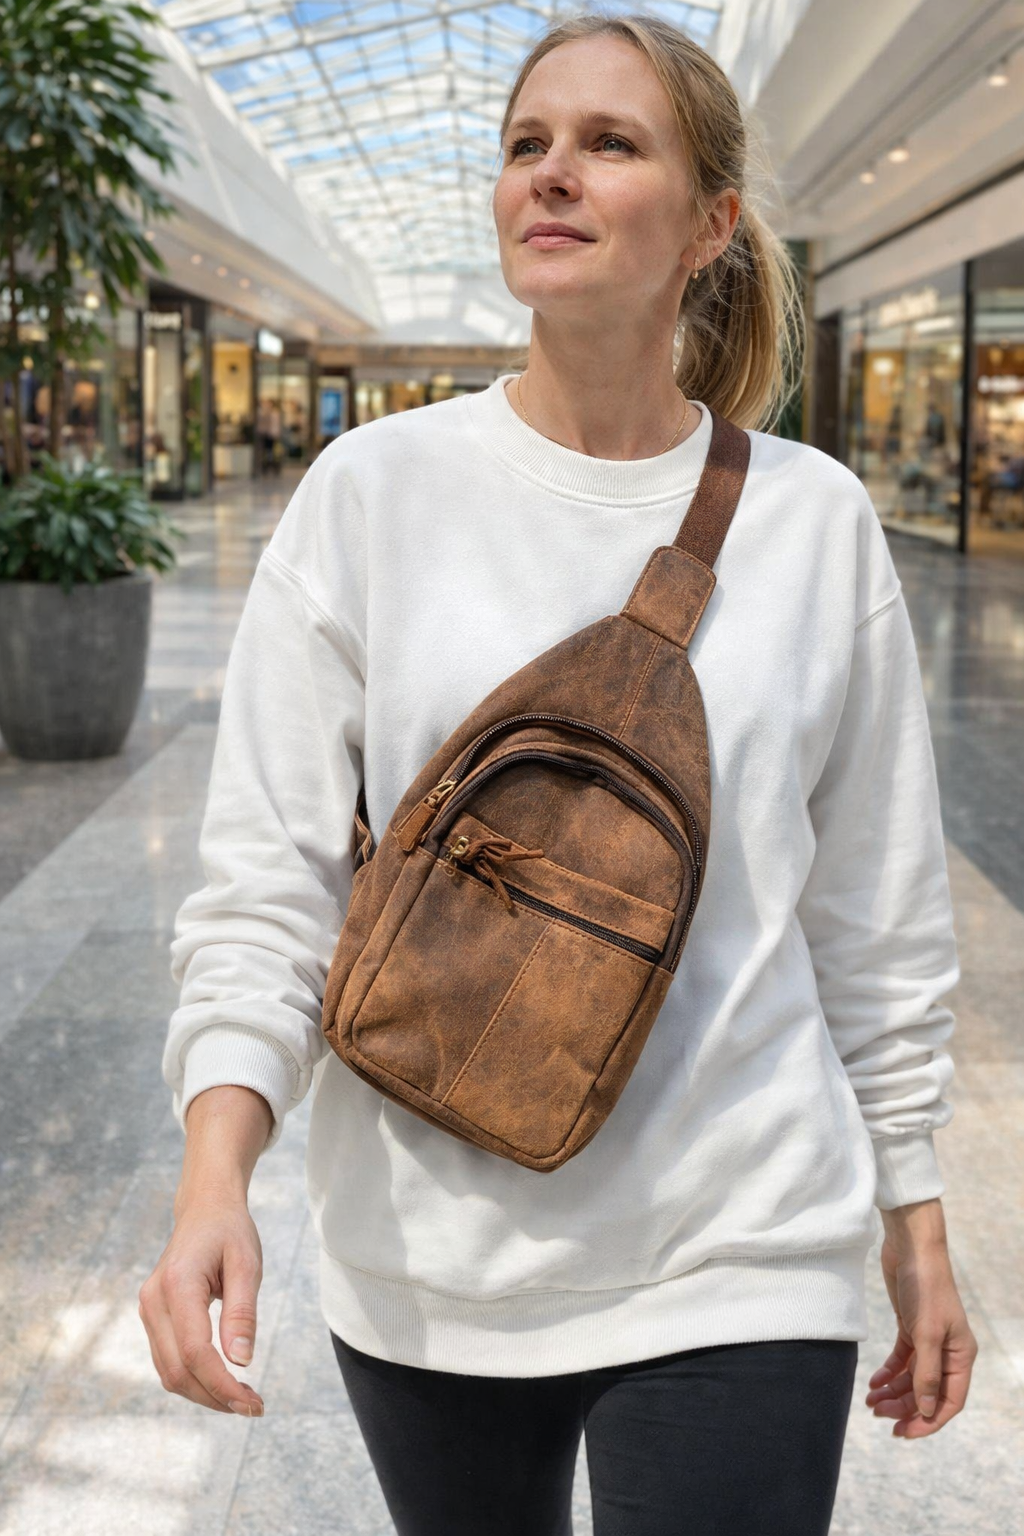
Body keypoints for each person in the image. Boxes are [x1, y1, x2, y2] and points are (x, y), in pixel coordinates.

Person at [142, 13, 977, 1534]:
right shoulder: (371, 496)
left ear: (711, 224)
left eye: (610, 143)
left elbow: (875, 917)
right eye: (529, 143)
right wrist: (216, 1186)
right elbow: (267, 884)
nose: (554, 174)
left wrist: (913, 1218)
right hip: (434, 1259)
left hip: (744, 1240)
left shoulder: (813, 521)